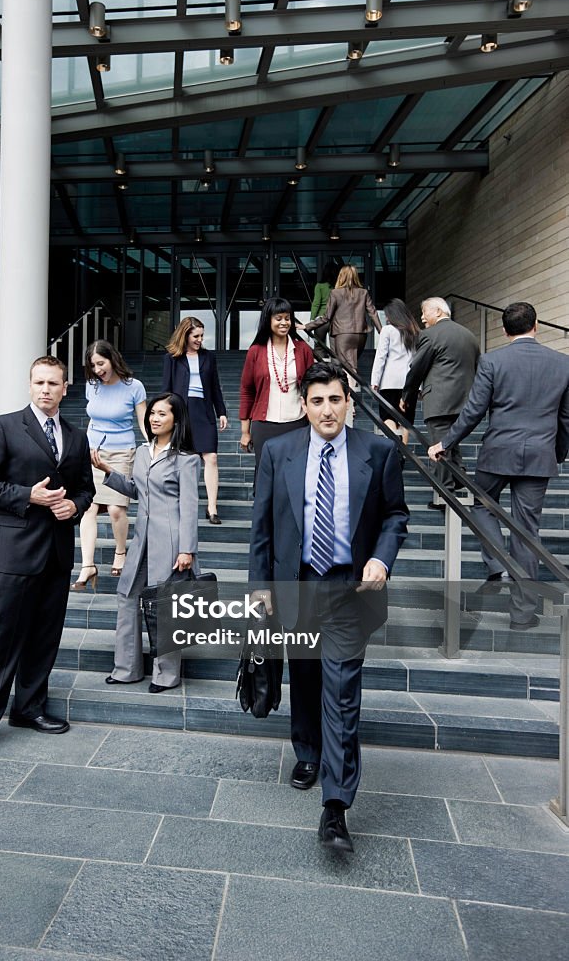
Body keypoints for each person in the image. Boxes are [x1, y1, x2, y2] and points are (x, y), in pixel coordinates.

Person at [249, 361, 408, 852]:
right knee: (306, 675)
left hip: (347, 589)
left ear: (349, 403)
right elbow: (262, 531)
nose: (326, 410)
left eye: (334, 399)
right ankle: (308, 751)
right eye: (316, 401)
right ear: (304, 406)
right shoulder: (277, 452)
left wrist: (382, 558)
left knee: (341, 691)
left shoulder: (378, 451)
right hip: (296, 585)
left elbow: (396, 514)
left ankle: (335, 807)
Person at [0, 356, 95, 765]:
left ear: (65, 387)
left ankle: (29, 708)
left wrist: (73, 505)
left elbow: (87, 490)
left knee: (44, 637)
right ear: (30, 384)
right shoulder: (4, 426)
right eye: (39, 382)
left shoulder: (75, 436)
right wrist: (28, 496)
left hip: (56, 553)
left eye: (53, 383)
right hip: (16, 552)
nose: (45, 389)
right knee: (1, 640)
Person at [428, 302, 569, 630]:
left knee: (481, 505)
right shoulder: (563, 364)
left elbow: (474, 410)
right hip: (538, 456)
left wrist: (445, 443)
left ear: (505, 331)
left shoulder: (492, 361)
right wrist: (558, 453)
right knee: (527, 530)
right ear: (535, 325)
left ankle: (498, 564)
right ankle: (522, 615)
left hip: (497, 454)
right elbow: (566, 419)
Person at [94, 393, 200, 692]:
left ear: (176, 420)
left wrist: (186, 549)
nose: (154, 418)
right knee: (127, 598)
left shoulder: (187, 459)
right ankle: (126, 669)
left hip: (170, 542)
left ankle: (166, 675)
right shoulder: (142, 453)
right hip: (141, 541)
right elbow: (136, 490)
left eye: (162, 414)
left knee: (164, 608)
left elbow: (190, 506)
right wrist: (108, 472)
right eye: (152, 413)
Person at [72, 341, 146, 590]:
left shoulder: (133, 387)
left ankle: (121, 552)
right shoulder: (92, 386)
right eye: (92, 365)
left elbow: (143, 422)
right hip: (93, 452)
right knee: (88, 508)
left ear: (112, 359)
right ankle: (87, 565)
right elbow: (93, 419)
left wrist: (156, 447)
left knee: (115, 509)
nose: (97, 369)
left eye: (100, 363)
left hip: (122, 452)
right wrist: (86, 446)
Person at [401, 296, 480, 506]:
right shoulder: (469, 335)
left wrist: (406, 396)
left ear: (437, 311)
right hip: (466, 401)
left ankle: (445, 496)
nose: (422, 318)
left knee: (440, 447)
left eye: (424, 312)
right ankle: (461, 477)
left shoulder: (430, 335)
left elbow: (416, 368)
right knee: (451, 441)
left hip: (439, 402)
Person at [239, 297, 314, 482]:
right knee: (266, 476)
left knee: (295, 476)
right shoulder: (256, 351)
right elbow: (247, 390)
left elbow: (313, 386)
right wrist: (245, 431)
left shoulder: (303, 349)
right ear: (268, 320)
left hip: (297, 423)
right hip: (264, 425)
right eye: (278, 318)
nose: (284, 323)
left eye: (287, 318)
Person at [162, 317, 228, 524]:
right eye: (195, 336)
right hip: (182, 411)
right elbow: (166, 388)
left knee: (212, 458)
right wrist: (165, 415)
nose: (200, 339)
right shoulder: (172, 358)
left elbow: (215, 386)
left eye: (201, 335)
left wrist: (222, 412)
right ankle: (182, 506)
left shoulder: (209, 357)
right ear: (185, 335)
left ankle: (212, 508)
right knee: (183, 460)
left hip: (204, 411)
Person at [304, 264, 382, 384]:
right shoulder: (363, 292)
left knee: (348, 367)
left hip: (343, 334)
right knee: (352, 364)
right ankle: (351, 393)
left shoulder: (335, 293)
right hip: (361, 335)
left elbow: (326, 317)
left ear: (341, 276)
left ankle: (350, 397)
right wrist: (381, 331)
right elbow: (373, 313)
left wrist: (307, 326)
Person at [370, 298, 421, 446]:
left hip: (389, 382)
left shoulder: (387, 330)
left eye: (387, 315)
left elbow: (381, 357)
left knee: (388, 417)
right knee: (405, 420)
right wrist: (420, 386)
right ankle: (403, 453)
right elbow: (419, 360)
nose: (386, 318)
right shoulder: (415, 331)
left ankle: (394, 449)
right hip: (410, 383)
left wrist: (375, 381)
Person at [307, 261, 337, 350]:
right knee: (335, 350)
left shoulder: (319, 286)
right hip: (335, 320)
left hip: (321, 320)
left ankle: (321, 364)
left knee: (319, 347)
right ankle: (335, 364)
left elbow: (316, 304)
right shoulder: (339, 287)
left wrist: (312, 320)